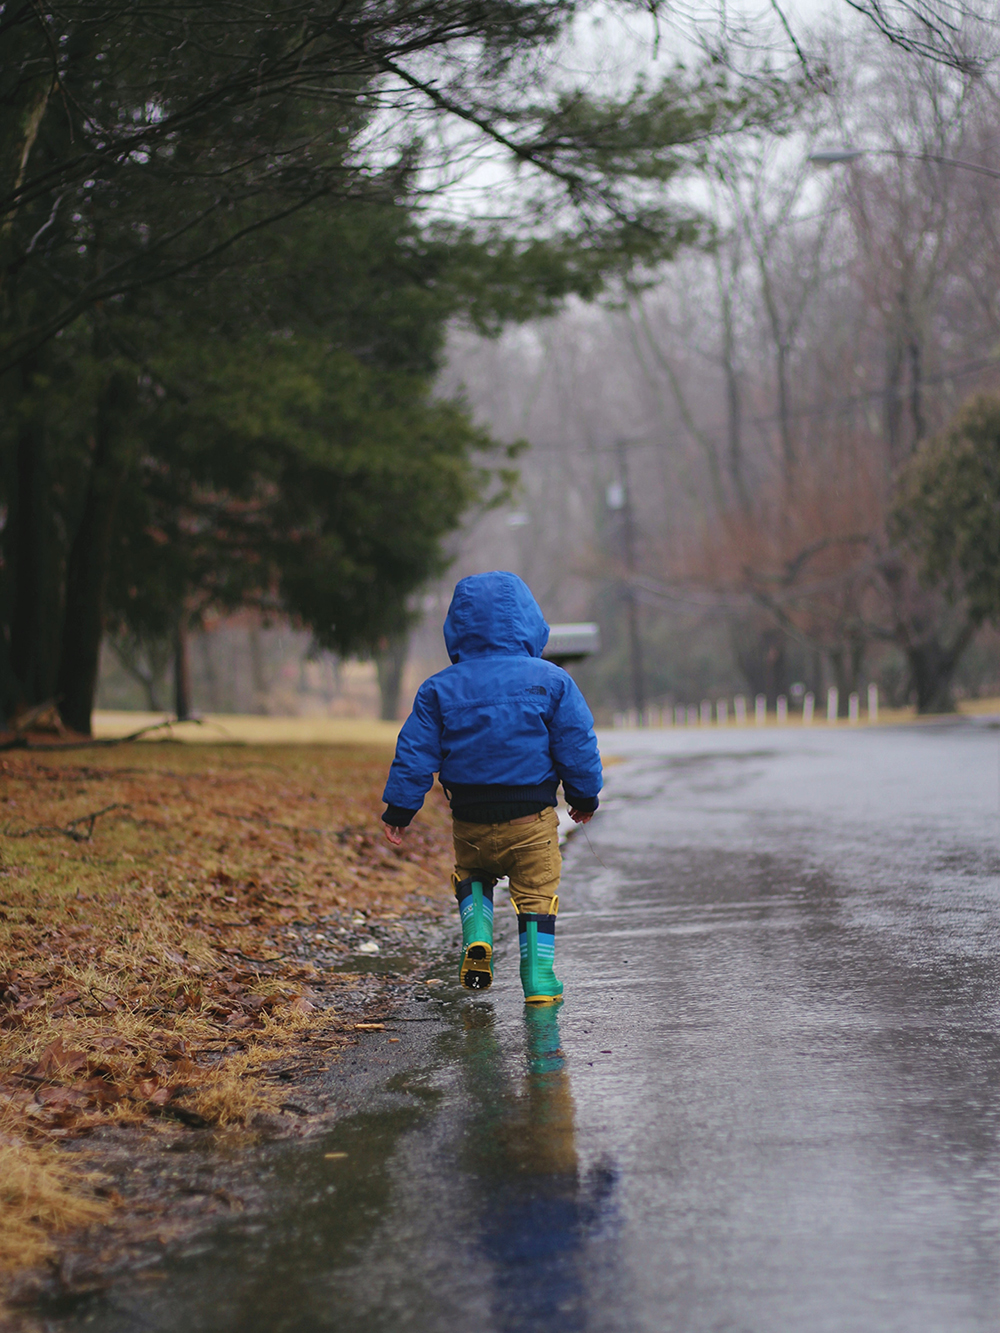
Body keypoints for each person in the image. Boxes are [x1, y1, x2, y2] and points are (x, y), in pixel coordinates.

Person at [381, 571, 602, 1003]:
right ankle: (538, 979)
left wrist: (399, 811)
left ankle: (478, 933)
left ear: (458, 627)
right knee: (536, 892)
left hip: (470, 820)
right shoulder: (552, 680)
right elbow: (576, 743)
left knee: (473, 875)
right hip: (531, 820)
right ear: (528, 621)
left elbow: (415, 752)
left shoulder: (439, 688)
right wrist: (583, 796)